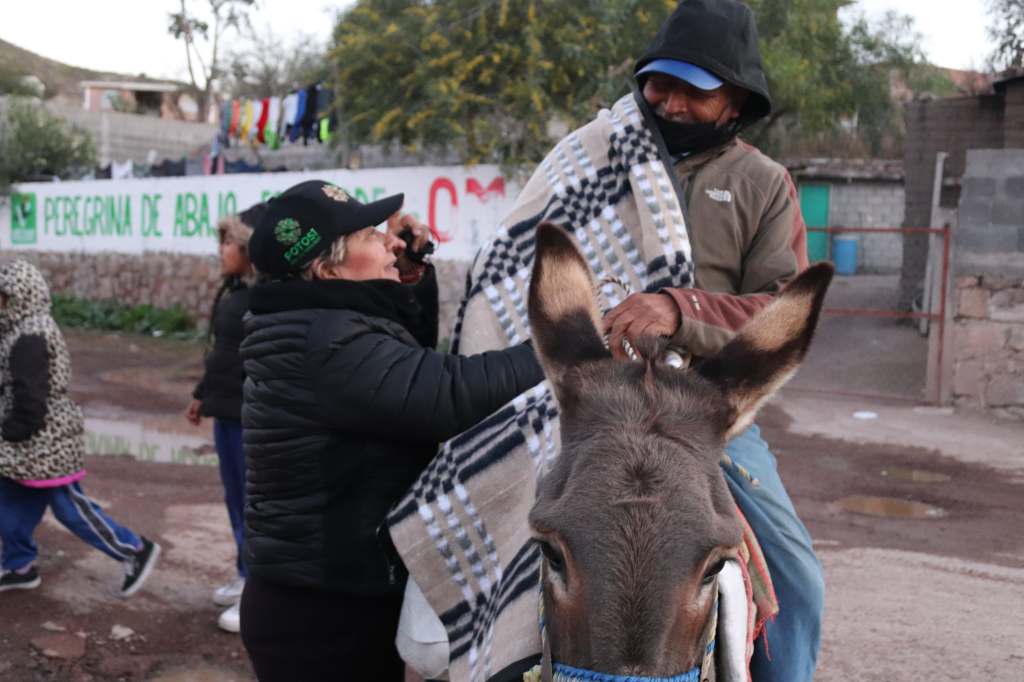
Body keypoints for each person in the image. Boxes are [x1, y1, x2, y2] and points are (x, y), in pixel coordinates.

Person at [391, 1, 822, 680]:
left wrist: (678, 309)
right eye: (660, 84)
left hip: (702, 408)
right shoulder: (585, 158)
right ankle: (473, 653)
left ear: (736, 99)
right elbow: (508, 272)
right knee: (466, 492)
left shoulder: (762, 185)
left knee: (796, 580)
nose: (670, 103)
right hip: (580, 396)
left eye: (695, 91)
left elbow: (775, 305)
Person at [237, 180, 545, 681]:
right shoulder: (328, 343)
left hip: (328, 594)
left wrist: (410, 276)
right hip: (321, 615)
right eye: (370, 236)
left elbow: (400, 368)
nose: (392, 241)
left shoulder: (314, 321)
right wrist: (569, 340)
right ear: (327, 268)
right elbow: (448, 394)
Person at [0, 260, 160, 597]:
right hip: (26, 444)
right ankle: (19, 565)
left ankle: (134, 549)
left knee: (71, 508)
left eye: (2, 297)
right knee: (11, 501)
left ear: (19, 296)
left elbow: (30, 398)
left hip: (43, 441)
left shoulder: (30, 335)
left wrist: (10, 431)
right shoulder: (17, 329)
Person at [186, 203, 265, 633]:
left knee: (253, 504)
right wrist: (202, 395)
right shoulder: (234, 292)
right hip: (226, 414)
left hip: (249, 418)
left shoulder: (261, 298)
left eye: (229, 244)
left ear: (251, 250)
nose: (221, 251)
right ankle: (243, 573)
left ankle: (257, 592)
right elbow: (222, 355)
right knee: (235, 498)